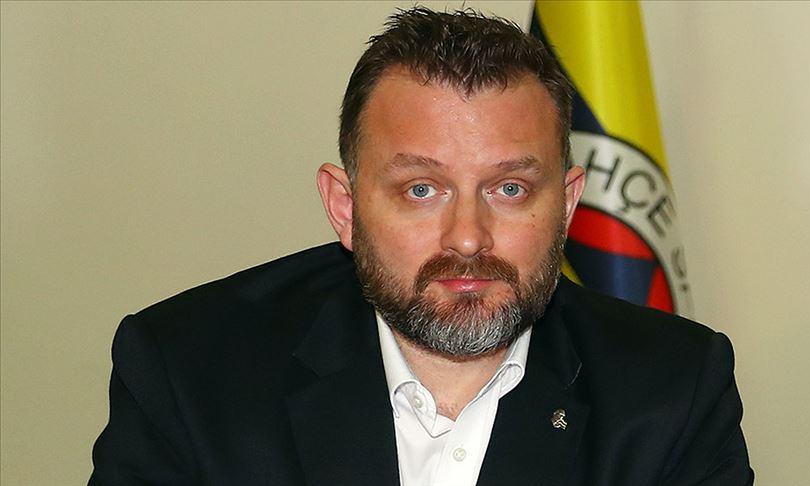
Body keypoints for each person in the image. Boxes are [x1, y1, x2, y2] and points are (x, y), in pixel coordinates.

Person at [89, 7, 753, 486]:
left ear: (568, 205)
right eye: (421, 190)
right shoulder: (190, 372)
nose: (467, 236)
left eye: (511, 189)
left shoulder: (673, 391)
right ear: (345, 207)